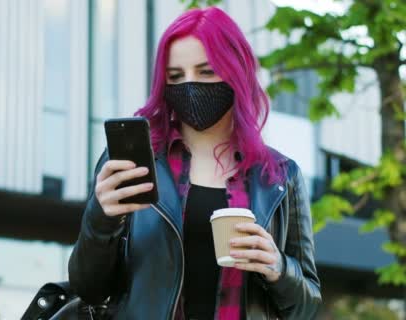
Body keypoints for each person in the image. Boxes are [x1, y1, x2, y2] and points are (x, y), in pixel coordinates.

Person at [68, 6, 321, 320]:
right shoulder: (133, 164)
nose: (189, 85)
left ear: (236, 72)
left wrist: (279, 267)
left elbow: (307, 306)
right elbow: (88, 287)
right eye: (176, 76)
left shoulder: (280, 176)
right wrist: (100, 218)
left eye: (205, 71)